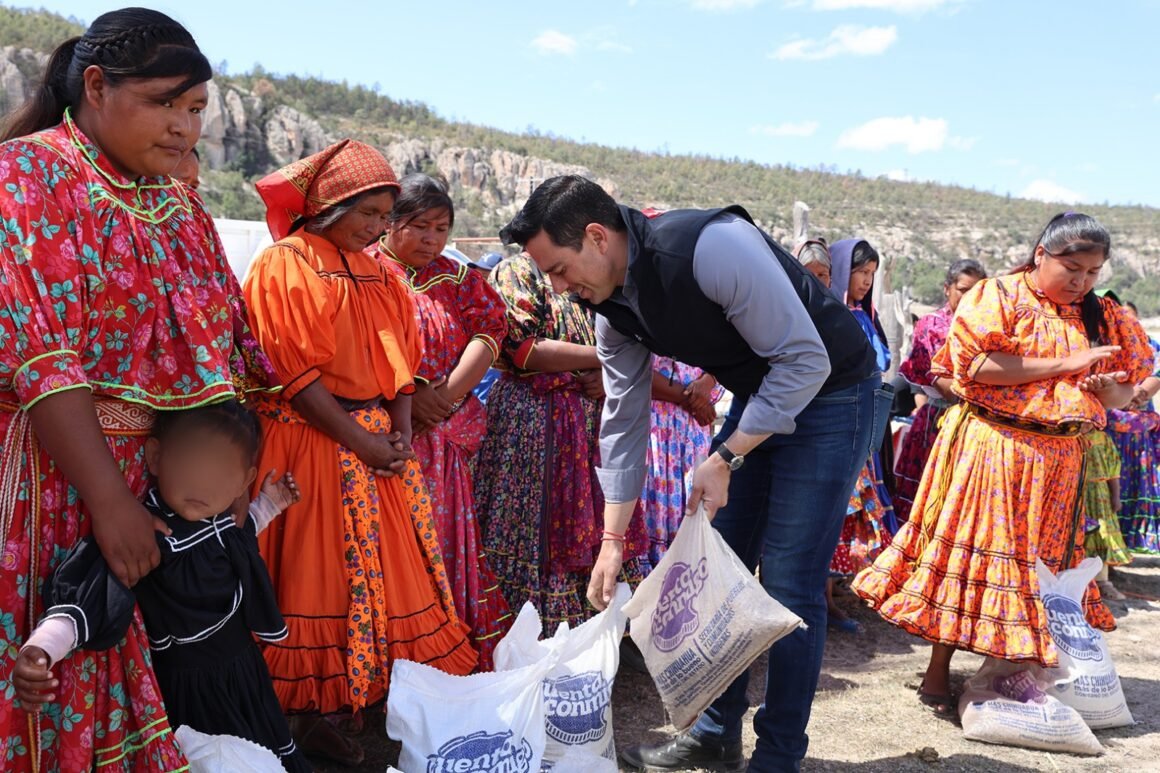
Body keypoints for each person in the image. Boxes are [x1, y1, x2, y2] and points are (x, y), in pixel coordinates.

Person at [501, 175, 886, 772]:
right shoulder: (610, 310)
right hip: (763, 394)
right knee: (715, 569)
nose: (557, 287)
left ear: (597, 237)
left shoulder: (711, 247)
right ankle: (713, 733)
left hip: (833, 393)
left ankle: (779, 755)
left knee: (789, 582)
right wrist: (611, 539)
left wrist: (726, 456)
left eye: (558, 269)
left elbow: (805, 361)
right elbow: (623, 422)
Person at [0, 9, 278, 770]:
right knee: (52, 646)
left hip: (152, 482)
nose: (185, 127)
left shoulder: (178, 202)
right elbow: (44, 357)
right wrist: (110, 501)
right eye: (165, 103)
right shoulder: (28, 174)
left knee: (141, 663)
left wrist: (222, 478)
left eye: (197, 109)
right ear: (96, 86)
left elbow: (225, 348)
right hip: (55, 474)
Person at [852, 212, 1154, 718]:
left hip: (1061, 464)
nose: (1081, 281)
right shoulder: (998, 297)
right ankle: (938, 670)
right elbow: (976, 367)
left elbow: (1125, 390)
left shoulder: (1102, 315)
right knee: (973, 556)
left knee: (1037, 570)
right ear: (1041, 255)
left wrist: (1109, 390)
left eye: (1092, 272)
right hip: (996, 450)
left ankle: (1009, 675)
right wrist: (1067, 364)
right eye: (1072, 269)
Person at [243, 140, 476, 765]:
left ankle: (331, 711)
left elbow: (401, 365)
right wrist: (367, 442)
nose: (376, 227)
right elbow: (296, 376)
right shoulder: (286, 262)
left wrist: (398, 435)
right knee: (307, 579)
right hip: (308, 442)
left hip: (373, 445)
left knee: (369, 584)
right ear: (328, 205)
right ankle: (284, 721)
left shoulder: (378, 272)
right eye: (367, 213)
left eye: (382, 215)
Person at [15, 402, 310, 772]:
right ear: (155, 457)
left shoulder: (220, 521)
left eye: (219, 471)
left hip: (244, 672)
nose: (202, 483)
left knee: (263, 750)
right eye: (191, 463)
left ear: (242, 482)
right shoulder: (145, 535)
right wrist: (44, 646)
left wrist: (270, 504)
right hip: (189, 689)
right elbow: (95, 593)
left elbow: (238, 537)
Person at [473, 251, 652, 629]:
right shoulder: (516, 271)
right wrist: (605, 358)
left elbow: (629, 334)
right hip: (534, 426)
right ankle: (531, 632)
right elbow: (523, 350)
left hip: (590, 423)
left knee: (596, 524)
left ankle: (601, 627)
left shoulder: (590, 269)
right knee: (537, 530)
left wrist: (606, 374)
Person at [378, 174, 513, 668]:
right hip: (383, 437)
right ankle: (392, 656)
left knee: (441, 538)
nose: (432, 239)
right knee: (390, 544)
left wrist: (446, 396)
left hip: (445, 434)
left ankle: (443, 646)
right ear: (390, 223)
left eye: (441, 228)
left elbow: (490, 332)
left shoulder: (458, 280)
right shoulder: (365, 272)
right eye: (420, 226)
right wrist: (409, 400)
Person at [894, 259, 987, 523]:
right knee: (927, 505)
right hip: (938, 425)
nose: (970, 297)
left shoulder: (988, 328)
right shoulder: (931, 326)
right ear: (947, 289)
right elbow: (945, 386)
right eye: (963, 290)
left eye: (977, 290)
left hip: (976, 425)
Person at [641, 355, 722, 564]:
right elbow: (634, 370)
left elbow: (726, 355)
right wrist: (693, 399)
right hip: (654, 429)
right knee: (653, 510)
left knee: (693, 507)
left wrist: (708, 381)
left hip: (692, 431)